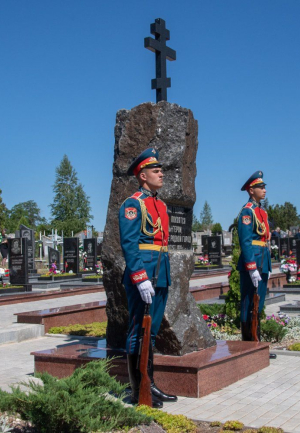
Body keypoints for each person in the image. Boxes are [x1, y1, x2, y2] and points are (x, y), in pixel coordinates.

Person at [118, 148, 175, 408]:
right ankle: (136, 389)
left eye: (161, 170)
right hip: (143, 275)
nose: (161, 174)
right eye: (156, 171)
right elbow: (130, 244)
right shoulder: (133, 204)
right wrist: (140, 278)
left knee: (151, 332)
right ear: (143, 176)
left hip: (160, 273)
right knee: (138, 331)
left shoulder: (160, 205)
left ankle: (148, 384)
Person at [236, 170, 275, 359]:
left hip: (263, 261)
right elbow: (245, 241)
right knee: (248, 304)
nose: (264, 190)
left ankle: (257, 345)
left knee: (258, 305)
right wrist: (252, 267)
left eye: (264, 186)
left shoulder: (262, 212)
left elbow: (264, 239)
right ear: (251, 190)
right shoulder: (247, 212)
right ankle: (247, 347)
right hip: (252, 264)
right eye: (260, 187)